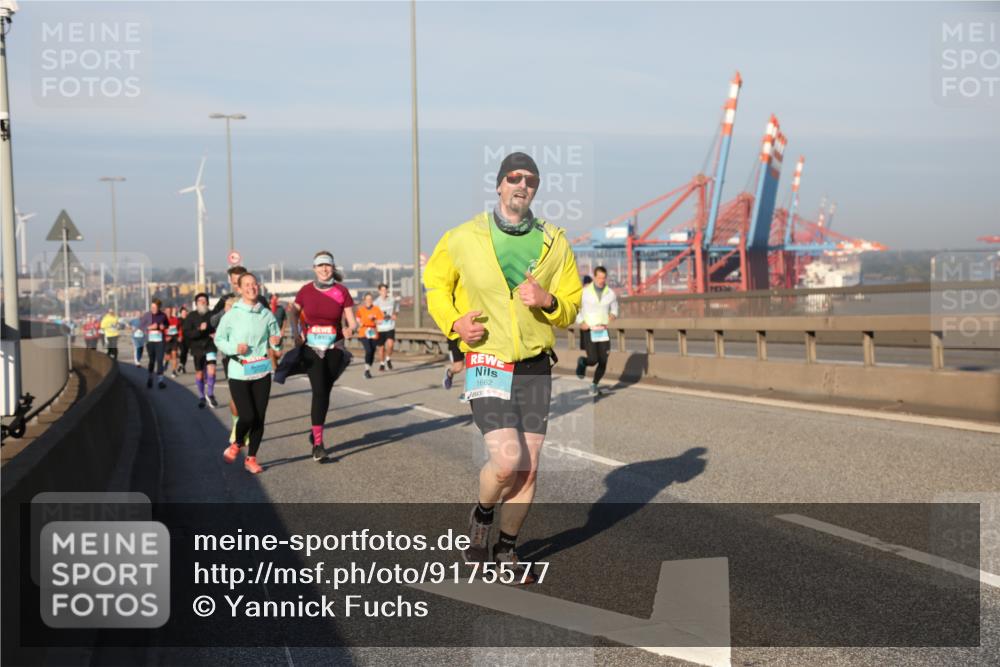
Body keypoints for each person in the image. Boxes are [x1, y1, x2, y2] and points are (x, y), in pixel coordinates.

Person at [424, 151, 582, 583]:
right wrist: (454, 324)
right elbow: (436, 285)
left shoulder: (554, 242)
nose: (522, 185)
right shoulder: (463, 237)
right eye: (514, 177)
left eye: (531, 180)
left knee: (529, 467)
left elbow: (571, 306)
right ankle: (482, 515)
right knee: (507, 461)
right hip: (487, 359)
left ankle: (507, 550)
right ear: (498, 184)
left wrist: (548, 301)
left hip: (534, 364)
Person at [288, 251, 357, 461]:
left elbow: (352, 320)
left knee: (325, 391)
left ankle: (315, 428)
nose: (324, 269)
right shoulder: (305, 291)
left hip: (335, 347)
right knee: (319, 391)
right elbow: (292, 311)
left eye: (328, 265)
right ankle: (318, 444)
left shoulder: (342, 291)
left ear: (333, 268)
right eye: (320, 266)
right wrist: (295, 331)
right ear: (314, 269)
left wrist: (350, 329)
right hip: (312, 348)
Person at [214, 272, 282, 474]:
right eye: (247, 285)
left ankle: (251, 458)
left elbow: (274, 336)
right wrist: (235, 347)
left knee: (259, 417)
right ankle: (236, 444)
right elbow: (219, 340)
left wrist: (275, 342)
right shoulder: (232, 314)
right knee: (247, 416)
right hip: (239, 370)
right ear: (240, 289)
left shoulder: (266, 313)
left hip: (261, 369)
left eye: (254, 284)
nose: (251, 288)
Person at [211, 265, 270, 443]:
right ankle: (239, 425)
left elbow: (269, 321)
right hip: (233, 357)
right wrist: (225, 312)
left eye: (241, 280)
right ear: (232, 283)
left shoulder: (258, 299)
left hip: (257, 359)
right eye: (235, 281)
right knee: (237, 399)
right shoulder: (225, 299)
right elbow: (213, 321)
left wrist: (275, 342)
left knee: (255, 404)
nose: (238, 284)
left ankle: (247, 426)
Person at [575, 266, 619, 395]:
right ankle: (583, 362)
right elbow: (576, 308)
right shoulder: (584, 292)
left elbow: (615, 308)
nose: (601, 280)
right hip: (589, 329)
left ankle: (594, 384)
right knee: (593, 359)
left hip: (603, 330)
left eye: (603, 278)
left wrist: (613, 314)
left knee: (604, 359)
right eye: (599, 277)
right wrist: (581, 321)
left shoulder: (610, 293)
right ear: (594, 277)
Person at [183, 293, 219, 409]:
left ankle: (210, 394)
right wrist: (199, 329)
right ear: (196, 303)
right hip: (197, 347)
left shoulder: (212, 315)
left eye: (204, 301)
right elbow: (187, 333)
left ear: (207, 303)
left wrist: (217, 333)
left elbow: (220, 326)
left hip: (210, 345)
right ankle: (201, 396)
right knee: (199, 373)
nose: (202, 302)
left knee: (212, 370)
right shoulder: (191, 316)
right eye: (200, 301)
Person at [139, 299, 169, 389]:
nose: (153, 309)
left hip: (160, 341)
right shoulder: (147, 315)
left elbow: (167, 324)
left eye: (155, 307)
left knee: (160, 360)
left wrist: (163, 327)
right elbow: (141, 327)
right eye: (152, 307)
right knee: (152, 360)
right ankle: (150, 377)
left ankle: (160, 381)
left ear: (159, 307)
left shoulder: (163, 315)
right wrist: (150, 327)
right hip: (150, 341)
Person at [355, 293, 384, 379]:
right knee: (368, 350)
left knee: (372, 351)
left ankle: (368, 369)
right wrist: (359, 323)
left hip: (373, 331)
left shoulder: (376, 309)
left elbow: (380, 321)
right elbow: (357, 317)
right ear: (364, 300)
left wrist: (374, 319)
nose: (369, 301)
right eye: (367, 299)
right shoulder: (361, 309)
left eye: (370, 299)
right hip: (364, 331)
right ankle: (367, 370)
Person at [373, 283, 397, 371]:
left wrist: (395, 314)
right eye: (382, 290)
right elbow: (372, 316)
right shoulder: (376, 303)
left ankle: (388, 358)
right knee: (381, 348)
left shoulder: (392, 300)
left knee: (390, 345)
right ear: (379, 291)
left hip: (390, 327)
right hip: (380, 328)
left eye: (386, 290)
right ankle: (382, 363)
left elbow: (396, 309)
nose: (384, 292)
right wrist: (375, 320)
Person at [164, 306, 182, 378]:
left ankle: (174, 371)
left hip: (174, 338)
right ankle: (166, 361)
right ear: (165, 312)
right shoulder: (162, 320)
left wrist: (180, 336)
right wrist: (165, 337)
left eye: (170, 311)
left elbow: (179, 328)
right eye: (167, 311)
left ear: (172, 312)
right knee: (168, 356)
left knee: (174, 354)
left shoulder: (176, 319)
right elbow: (160, 330)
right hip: (167, 339)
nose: (169, 312)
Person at [177, 305, 190, 374]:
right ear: (180, 313)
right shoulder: (178, 320)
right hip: (180, 338)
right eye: (183, 312)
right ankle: (181, 364)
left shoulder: (189, 319)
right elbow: (175, 329)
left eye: (185, 312)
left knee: (185, 352)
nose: (184, 313)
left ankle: (182, 366)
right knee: (182, 351)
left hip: (188, 338)